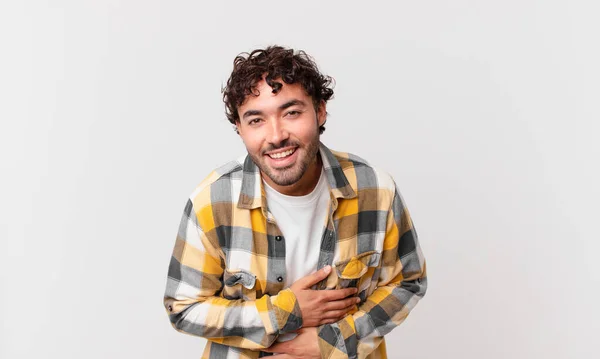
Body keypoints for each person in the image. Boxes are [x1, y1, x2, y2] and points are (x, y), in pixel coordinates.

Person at [163, 45, 427, 359]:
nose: (276, 136)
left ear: (320, 110)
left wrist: (333, 342)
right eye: (256, 120)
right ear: (240, 129)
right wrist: (287, 311)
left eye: (291, 112)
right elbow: (183, 308)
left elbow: (408, 281)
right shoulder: (212, 202)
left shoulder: (375, 190)